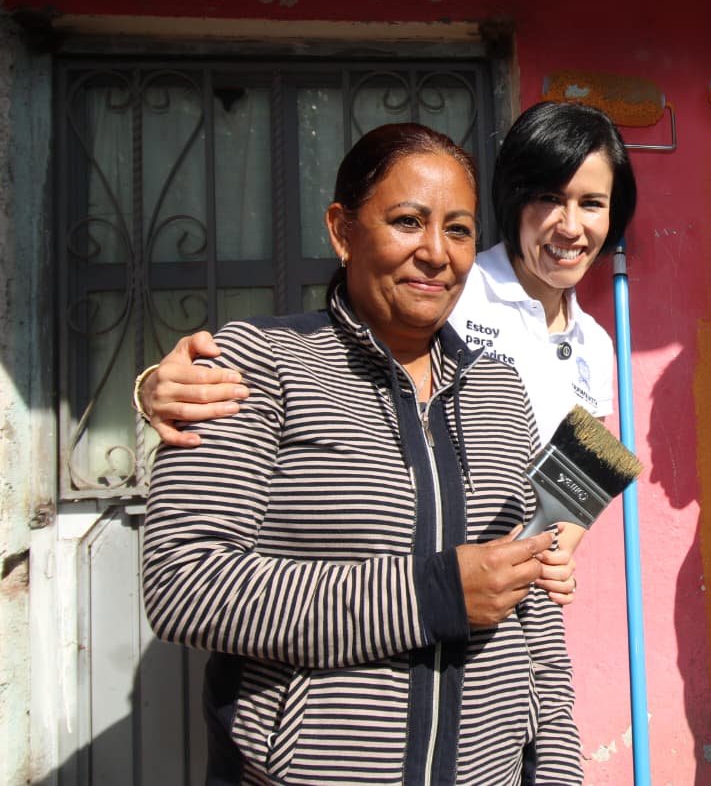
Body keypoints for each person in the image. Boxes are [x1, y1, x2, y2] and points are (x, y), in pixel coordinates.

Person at [143, 123, 583, 784]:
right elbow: (185, 583)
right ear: (341, 230)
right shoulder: (257, 365)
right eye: (407, 221)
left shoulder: (499, 389)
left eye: (460, 230)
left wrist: (557, 771)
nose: (436, 252)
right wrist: (434, 596)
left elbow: (535, 606)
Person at [135, 100, 637, 607]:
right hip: (380, 594)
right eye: (550, 198)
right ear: (515, 198)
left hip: (501, 608)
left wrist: (551, 554)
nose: (571, 226)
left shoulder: (596, 344)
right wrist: (158, 384)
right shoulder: (444, 283)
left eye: (592, 203)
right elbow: (317, 354)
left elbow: (580, 476)